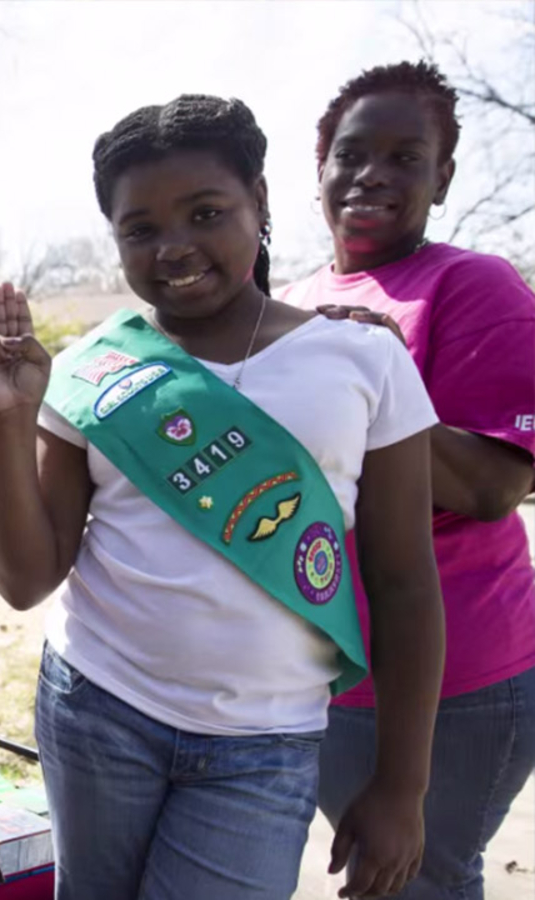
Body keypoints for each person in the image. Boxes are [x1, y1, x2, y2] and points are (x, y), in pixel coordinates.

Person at [0, 94, 446, 899]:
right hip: (98, 710)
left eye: (205, 213)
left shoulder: (364, 361)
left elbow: (404, 584)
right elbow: (25, 582)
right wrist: (11, 419)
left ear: (258, 202)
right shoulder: (94, 370)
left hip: (264, 744)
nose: (174, 247)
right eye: (140, 229)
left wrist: (403, 787)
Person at [284, 60, 535, 900]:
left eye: (405, 158)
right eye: (352, 154)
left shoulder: (471, 285)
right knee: (376, 882)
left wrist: (379, 375)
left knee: (421, 882)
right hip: (322, 676)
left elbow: (495, 487)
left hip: (458, 684)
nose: (371, 176)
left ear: (443, 178)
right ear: (320, 165)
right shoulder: (292, 300)